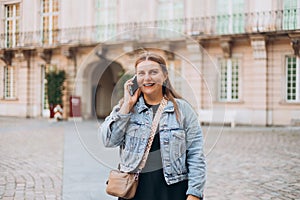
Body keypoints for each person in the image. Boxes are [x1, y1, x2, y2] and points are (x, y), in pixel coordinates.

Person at [100, 51, 206, 200]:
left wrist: (194, 194)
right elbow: (109, 140)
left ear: (165, 75)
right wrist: (126, 107)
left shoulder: (183, 110)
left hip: (172, 191)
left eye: (154, 72)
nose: (147, 78)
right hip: (134, 192)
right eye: (141, 73)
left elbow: (196, 154)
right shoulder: (126, 109)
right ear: (135, 78)